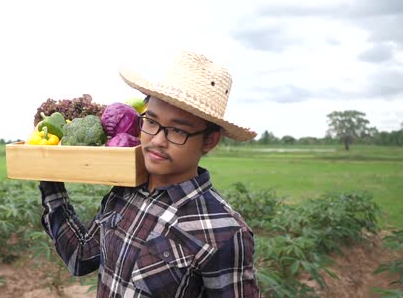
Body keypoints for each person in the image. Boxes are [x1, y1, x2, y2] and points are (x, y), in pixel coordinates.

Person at [38, 50, 260, 297]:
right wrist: (49, 178)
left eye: (177, 131)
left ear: (210, 140)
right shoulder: (125, 192)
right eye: (151, 122)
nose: (156, 140)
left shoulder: (226, 232)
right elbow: (81, 257)